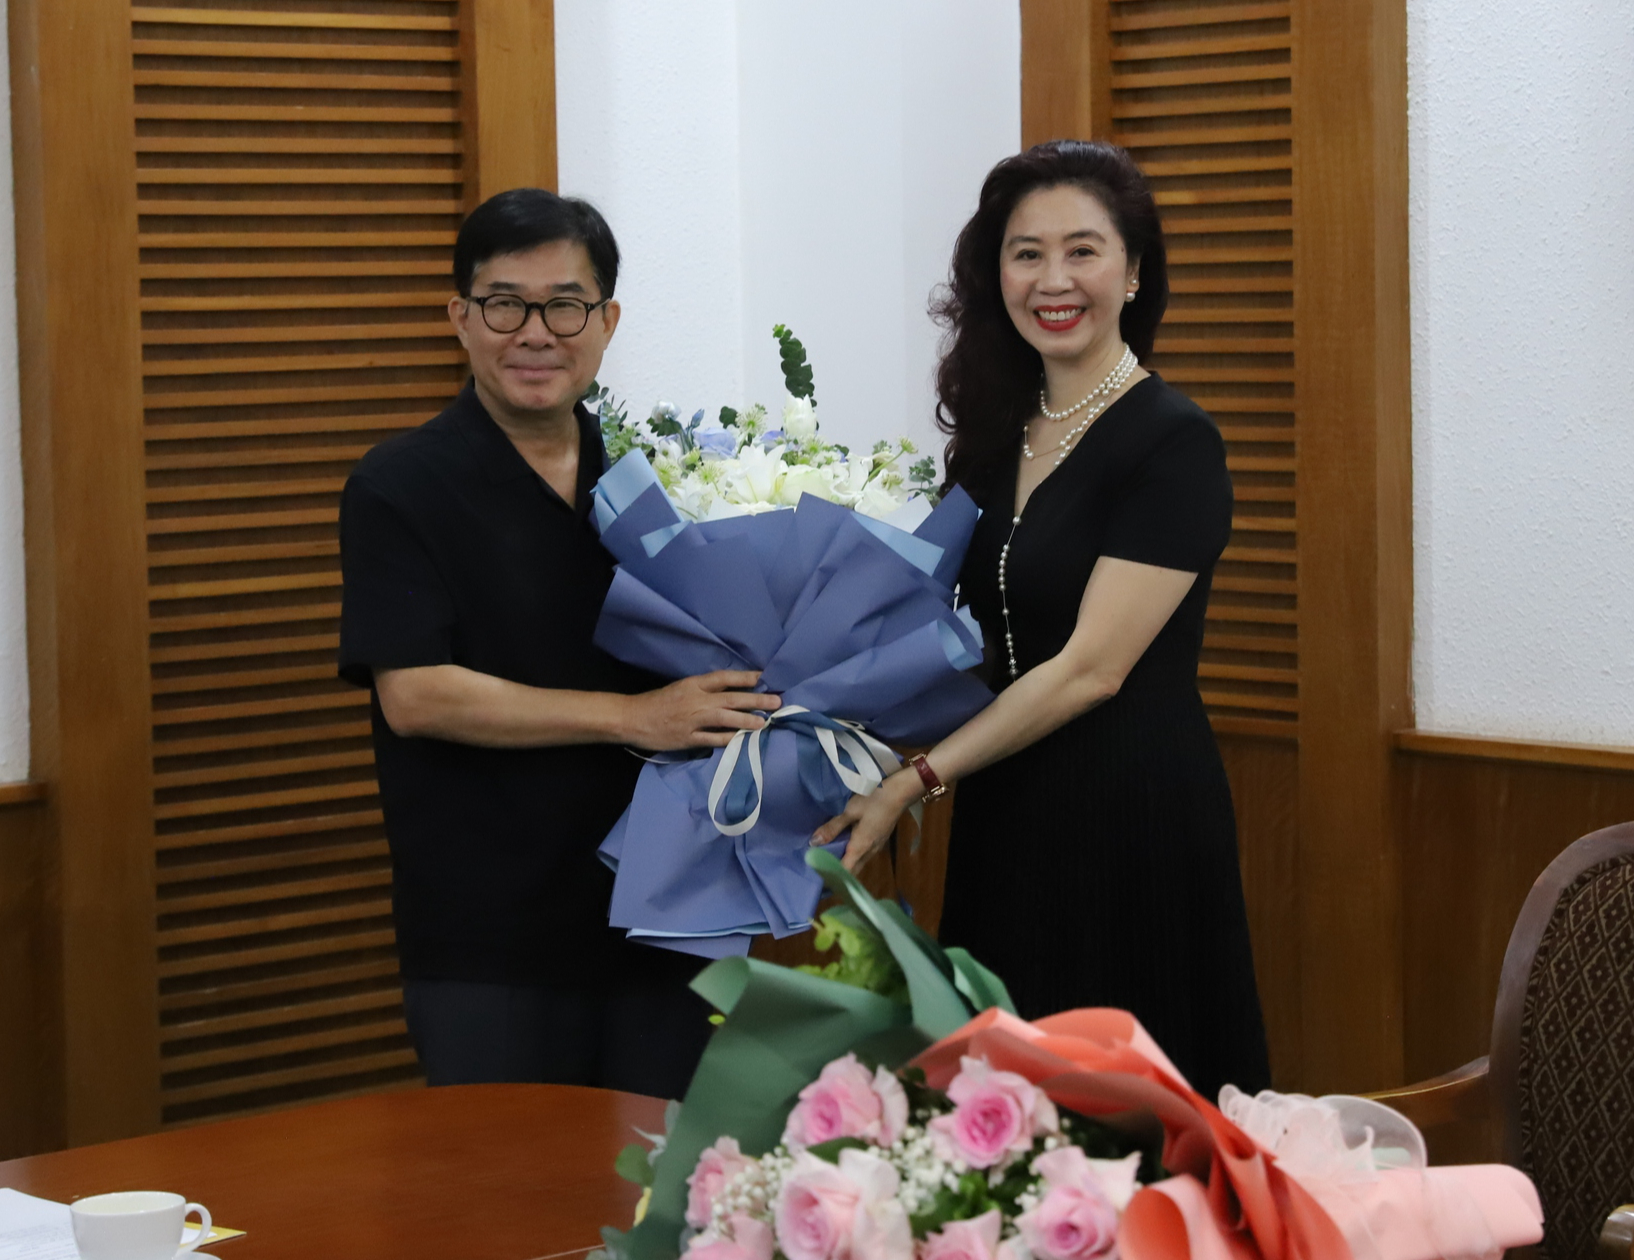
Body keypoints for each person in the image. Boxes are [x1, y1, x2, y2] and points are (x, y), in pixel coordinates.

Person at [811, 141, 1271, 1097]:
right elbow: (964, 635)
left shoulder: (1173, 442)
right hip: (1005, 801)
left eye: (1082, 251)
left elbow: (1092, 667)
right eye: (1026, 254)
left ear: (1134, 273)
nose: (1052, 280)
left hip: (1130, 809)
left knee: (1121, 1109)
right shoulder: (997, 435)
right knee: (1002, 1104)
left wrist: (914, 781)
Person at [337, 189, 781, 1095]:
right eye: (505, 304)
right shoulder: (400, 484)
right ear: (460, 317)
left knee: (666, 1176)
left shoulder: (659, 477)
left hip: (669, 916)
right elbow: (415, 695)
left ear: (607, 321)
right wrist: (635, 717)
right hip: (494, 936)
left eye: (565, 306)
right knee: (511, 1182)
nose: (536, 333)